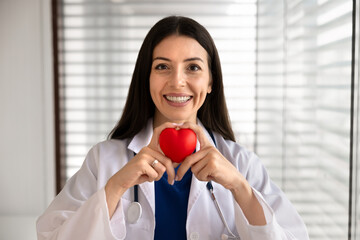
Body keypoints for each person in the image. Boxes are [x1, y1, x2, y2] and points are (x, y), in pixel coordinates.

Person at [36, 16, 309, 240]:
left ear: (211, 82)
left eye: (192, 67)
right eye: (163, 66)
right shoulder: (104, 160)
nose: (177, 82)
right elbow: (51, 235)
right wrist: (116, 186)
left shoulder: (241, 164)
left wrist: (240, 188)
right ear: (147, 78)